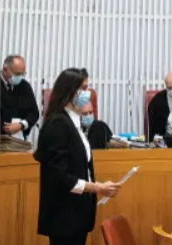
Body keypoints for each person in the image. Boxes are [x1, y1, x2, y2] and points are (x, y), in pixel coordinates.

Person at [34, 68, 120, 245]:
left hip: (77, 213)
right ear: (70, 90)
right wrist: (96, 187)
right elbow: (59, 176)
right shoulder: (58, 123)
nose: (87, 93)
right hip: (64, 215)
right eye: (83, 88)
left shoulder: (73, 122)